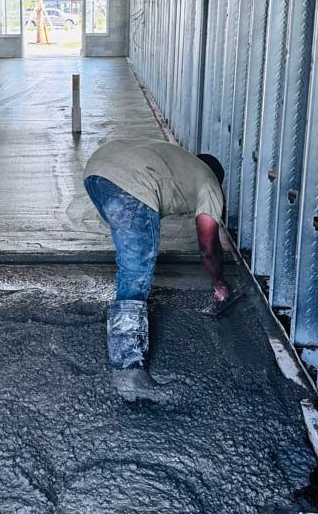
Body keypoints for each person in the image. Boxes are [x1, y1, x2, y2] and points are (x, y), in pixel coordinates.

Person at [84, 139, 235, 403]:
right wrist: (218, 281)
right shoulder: (210, 182)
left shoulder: (179, 163)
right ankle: (129, 372)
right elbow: (208, 244)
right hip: (131, 182)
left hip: (97, 172)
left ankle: (122, 321)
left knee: (132, 255)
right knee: (137, 268)